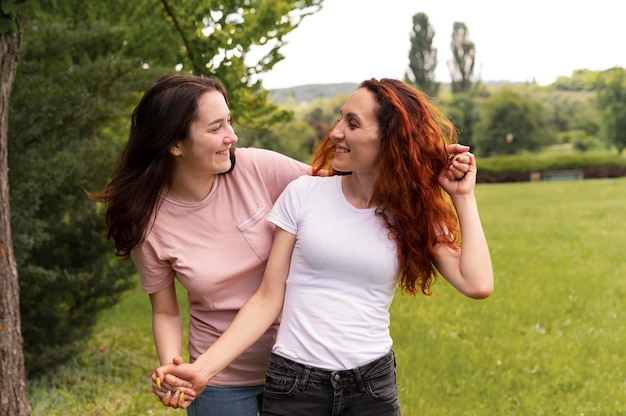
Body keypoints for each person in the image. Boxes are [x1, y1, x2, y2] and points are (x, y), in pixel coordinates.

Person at [90, 74, 472, 415]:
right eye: (216, 128)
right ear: (174, 144)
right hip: (221, 375)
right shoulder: (150, 225)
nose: (232, 136)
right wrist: (178, 371)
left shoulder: (261, 168)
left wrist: (429, 161)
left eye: (230, 121)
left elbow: (354, 185)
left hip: (305, 367)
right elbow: (166, 312)